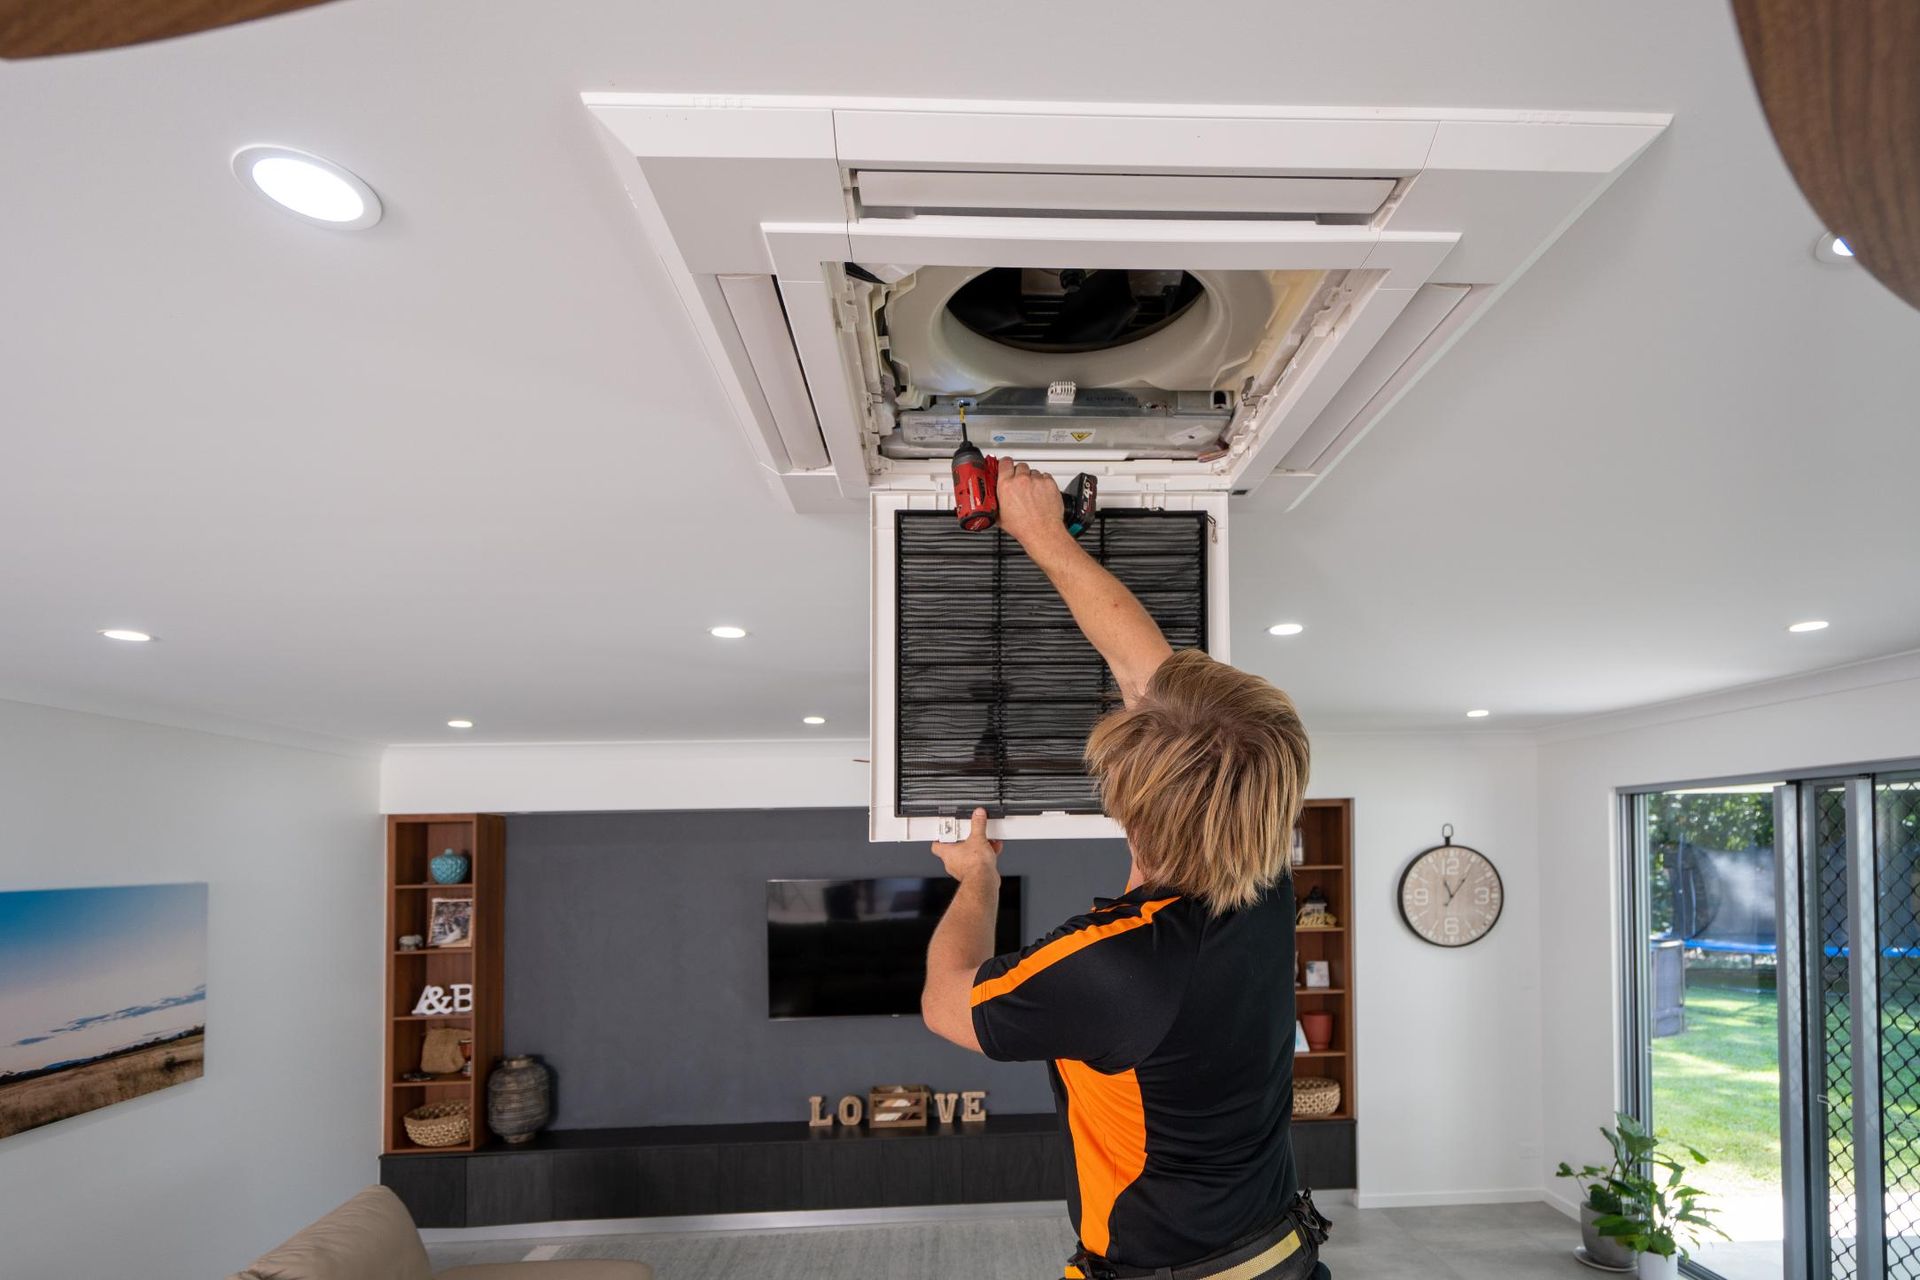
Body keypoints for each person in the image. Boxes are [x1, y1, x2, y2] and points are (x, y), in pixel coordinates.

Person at [920, 461, 1330, 1280]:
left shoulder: (1118, 966)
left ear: (1127, 809)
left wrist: (978, 880)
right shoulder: (1260, 881)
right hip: (1276, 1250)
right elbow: (1151, 678)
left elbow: (944, 1002)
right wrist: (1040, 535)